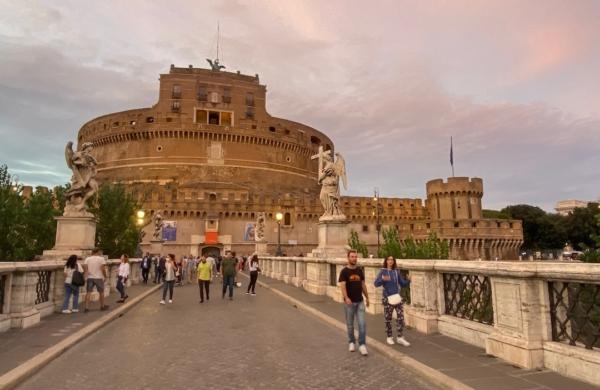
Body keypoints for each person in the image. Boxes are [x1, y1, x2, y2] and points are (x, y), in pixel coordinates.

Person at [374, 256, 411, 347]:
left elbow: (402, 284)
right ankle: (389, 337)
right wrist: (383, 279)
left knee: (400, 318)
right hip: (387, 299)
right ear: (386, 261)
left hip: (397, 298)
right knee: (388, 319)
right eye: (389, 259)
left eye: (392, 260)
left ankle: (400, 337)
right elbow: (376, 284)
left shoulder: (396, 272)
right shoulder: (383, 271)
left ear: (394, 261)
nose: (390, 261)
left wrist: (408, 280)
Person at [338, 250, 369, 356]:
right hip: (349, 302)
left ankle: (362, 344)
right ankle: (351, 342)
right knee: (350, 325)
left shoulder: (360, 271)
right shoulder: (344, 272)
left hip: (360, 301)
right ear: (348, 258)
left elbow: (363, 285)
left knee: (362, 324)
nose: (354, 258)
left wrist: (367, 297)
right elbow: (342, 286)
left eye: (355, 257)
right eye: (352, 257)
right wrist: (346, 298)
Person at [83, 248, 109, 312]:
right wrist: (105, 276)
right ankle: (102, 306)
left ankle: (86, 307)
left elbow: (85, 269)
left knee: (88, 292)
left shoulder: (87, 259)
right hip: (99, 277)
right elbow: (103, 269)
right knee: (101, 292)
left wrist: (85, 277)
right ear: (98, 252)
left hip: (90, 277)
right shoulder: (101, 259)